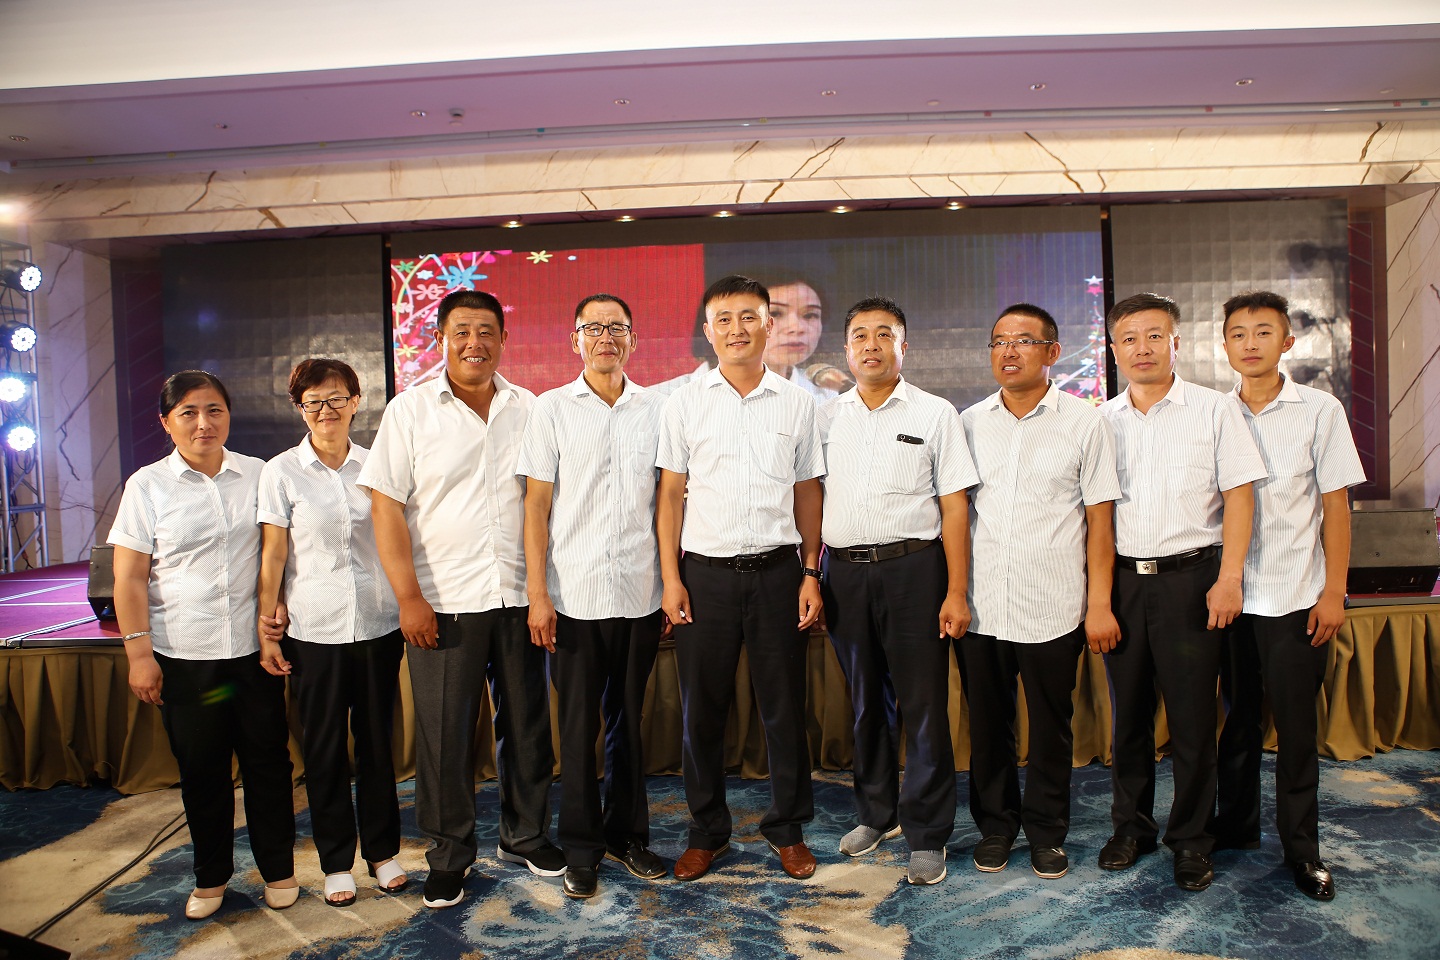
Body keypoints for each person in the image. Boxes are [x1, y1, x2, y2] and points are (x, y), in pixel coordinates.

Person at [357, 288, 560, 910]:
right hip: (442, 603)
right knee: (445, 736)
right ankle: (449, 855)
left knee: (526, 726)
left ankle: (525, 836)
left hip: (519, 596)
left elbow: (544, 502)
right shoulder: (410, 410)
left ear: (504, 339)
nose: (475, 343)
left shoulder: (530, 409)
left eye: (486, 331)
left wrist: (543, 591)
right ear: (441, 339)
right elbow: (385, 508)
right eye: (462, 332)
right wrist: (408, 598)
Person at [108, 370, 298, 920]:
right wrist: (139, 654)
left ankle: (279, 870)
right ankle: (211, 877)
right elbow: (129, 578)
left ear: (229, 415)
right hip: (184, 657)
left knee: (268, 764)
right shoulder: (147, 485)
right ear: (166, 422)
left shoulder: (258, 474)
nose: (203, 423)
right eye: (188, 412)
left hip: (252, 655)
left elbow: (280, 553)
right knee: (202, 771)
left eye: (214, 410)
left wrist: (280, 604)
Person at [656, 274, 825, 881]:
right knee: (703, 712)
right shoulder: (683, 402)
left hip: (779, 574)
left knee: (784, 710)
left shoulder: (798, 403)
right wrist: (671, 578)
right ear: (708, 331)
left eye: (749, 317)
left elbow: (808, 492)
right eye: (723, 319)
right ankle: (707, 831)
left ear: (767, 325)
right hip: (705, 579)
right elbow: (670, 496)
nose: (737, 329)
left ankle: (788, 830)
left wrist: (811, 571)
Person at [1097, 293, 1267, 892]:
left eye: (1154, 336)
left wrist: (1229, 578)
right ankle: (1131, 829)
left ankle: (1192, 838)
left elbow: (1240, 496)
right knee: (1129, 719)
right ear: (1113, 349)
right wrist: (1098, 598)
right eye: (1128, 339)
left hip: (1194, 581)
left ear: (1176, 343)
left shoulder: (1215, 410)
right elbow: (1096, 516)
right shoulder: (1100, 420)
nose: (1141, 348)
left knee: (1193, 721)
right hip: (1124, 581)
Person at [959, 303, 1121, 881]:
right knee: (989, 725)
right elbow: (956, 514)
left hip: (1053, 602)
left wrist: (1099, 603)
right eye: (999, 341)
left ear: (1052, 352)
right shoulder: (969, 423)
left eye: (1024, 341)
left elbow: (1100, 520)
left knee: (1052, 725)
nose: (1009, 351)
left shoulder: (1084, 422)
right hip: (982, 604)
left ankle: (1048, 831)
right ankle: (996, 827)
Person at [818, 297, 975, 886]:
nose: (872, 344)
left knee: (924, 704)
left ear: (903, 347)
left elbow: (954, 507)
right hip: (845, 574)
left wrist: (956, 590)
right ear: (846, 350)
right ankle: (876, 813)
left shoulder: (936, 414)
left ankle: (928, 833)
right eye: (860, 335)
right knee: (865, 701)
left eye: (884, 334)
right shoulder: (826, 418)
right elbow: (811, 497)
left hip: (915, 570)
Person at [1214, 290, 1364, 902]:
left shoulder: (1319, 410)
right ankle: (1235, 829)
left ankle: (1303, 850)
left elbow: (1336, 506)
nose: (1250, 344)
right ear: (1224, 346)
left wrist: (1334, 591)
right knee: (1237, 723)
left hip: (1297, 594)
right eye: (1238, 334)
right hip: (1229, 597)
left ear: (1287, 341)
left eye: (1263, 332)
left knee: (1298, 731)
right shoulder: (1214, 412)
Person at [518, 294, 667, 900]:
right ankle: (581, 846)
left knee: (629, 723)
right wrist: (537, 594)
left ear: (633, 339)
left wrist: (670, 583)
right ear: (574, 339)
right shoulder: (551, 409)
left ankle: (627, 836)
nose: (606, 337)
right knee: (578, 728)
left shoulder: (657, 409)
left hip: (639, 592)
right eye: (593, 328)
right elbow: (535, 505)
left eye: (617, 328)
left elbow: (668, 502)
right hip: (572, 597)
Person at [256, 358, 407, 907]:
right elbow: (274, 554)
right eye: (313, 401)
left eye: (336, 398)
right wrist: (268, 627)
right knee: (323, 752)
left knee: (377, 747)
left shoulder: (376, 466)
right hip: (313, 631)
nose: (326, 410)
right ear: (300, 408)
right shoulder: (281, 471)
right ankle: (336, 862)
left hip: (377, 625)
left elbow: (397, 540)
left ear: (356, 401)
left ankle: (383, 853)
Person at [652, 275, 847, 401]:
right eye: (777, 313)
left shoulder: (830, 397)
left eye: (810, 315)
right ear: (708, 330)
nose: (797, 328)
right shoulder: (664, 398)